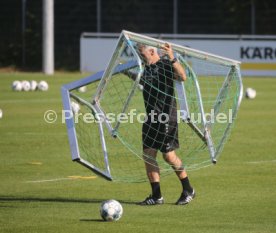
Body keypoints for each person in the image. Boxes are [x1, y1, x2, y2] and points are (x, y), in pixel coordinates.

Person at [137, 43, 195, 205]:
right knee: (148, 156)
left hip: (166, 117)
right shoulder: (146, 69)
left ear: (151, 51)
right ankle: (157, 196)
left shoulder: (164, 65)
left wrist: (172, 57)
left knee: (168, 156)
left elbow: (183, 76)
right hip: (151, 118)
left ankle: (188, 189)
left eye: (142, 53)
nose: (140, 56)